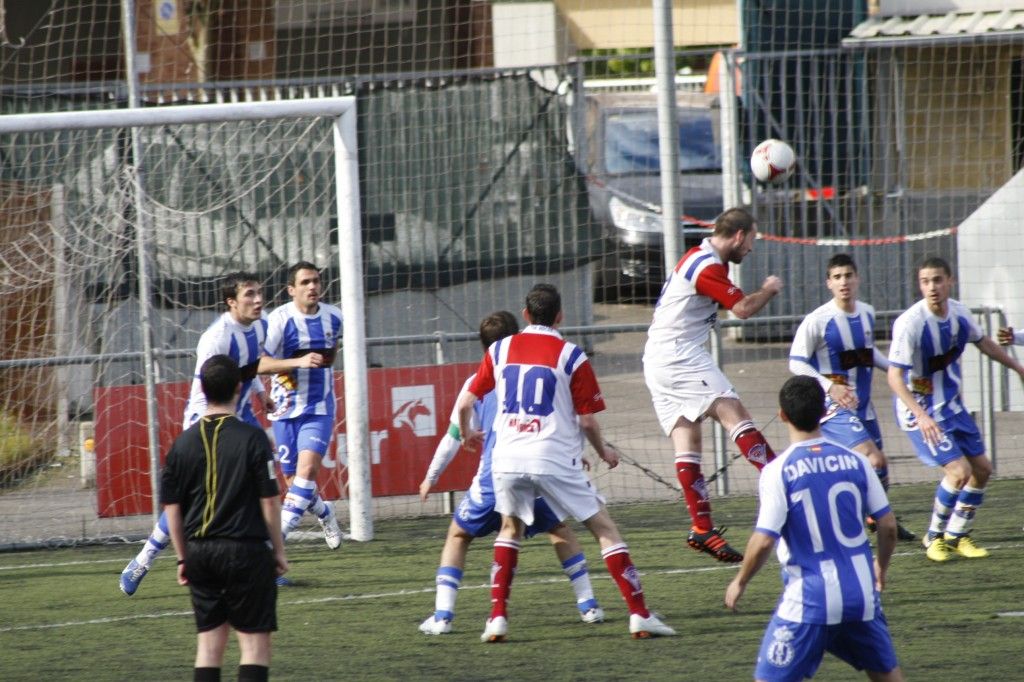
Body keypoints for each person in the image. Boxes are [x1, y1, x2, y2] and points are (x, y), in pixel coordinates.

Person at [459, 284, 676, 642]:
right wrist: (603, 451)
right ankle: (639, 614)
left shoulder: (499, 349)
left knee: (509, 529)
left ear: (525, 315)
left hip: (507, 456)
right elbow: (587, 420)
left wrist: (468, 433)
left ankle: (496, 618)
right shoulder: (572, 356)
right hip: (551, 456)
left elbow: (467, 401)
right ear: (560, 316)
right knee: (604, 528)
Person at [418, 311, 604, 635]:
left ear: (484, 346)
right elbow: (567, 418)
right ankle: (588, 606)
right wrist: (578, 453)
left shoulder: (477, 382)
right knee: (559, 529)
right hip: (539, 472)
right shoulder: (542, 370)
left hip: (495, 476)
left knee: (459, 535)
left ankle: (443, 616)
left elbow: (452, 438)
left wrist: (431, 477)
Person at [724, 376, 903, 682]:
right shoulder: (857, 461)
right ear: (823, 413)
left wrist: (740, 580)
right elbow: (887, 526)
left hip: (810, 599)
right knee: (888, 677)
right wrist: (881, 569)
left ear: (782, 415)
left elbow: (765, 540)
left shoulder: (777, 471)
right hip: (861, 595)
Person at [120, 272, 277, 596]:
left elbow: (251, 365)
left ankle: (269, 557)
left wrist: (260, 392)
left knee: (267, 467)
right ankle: (143, 559)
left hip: (241, 410)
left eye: (259, 293)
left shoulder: (260, 326)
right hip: (206, 416)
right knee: (193, 496)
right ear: (231, 302)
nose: (258, 300)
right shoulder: (216, 338)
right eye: (250, 294)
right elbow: (211, 386)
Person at [642, 207, 783, 563]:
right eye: (750, 240)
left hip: (657, 358)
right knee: (733, 412)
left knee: (687, 440)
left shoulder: (700, 258)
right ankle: (786, 480)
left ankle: (702, 529)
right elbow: (744, 309)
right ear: (738, 236)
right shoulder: (706, 265)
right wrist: (768, 289)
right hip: (678, 355)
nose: (750, 248)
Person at [887, 256, 1024, 561]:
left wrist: (1016, 365)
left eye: (937, 280)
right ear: (919, 285)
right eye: (925, 281)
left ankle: (958, 534)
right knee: (958, 471)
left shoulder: (960, 314)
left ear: (950, 281)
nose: (932, 287)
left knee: (983, 470)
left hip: (952, 406)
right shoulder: (910, 324)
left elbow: (983, 341)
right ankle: (934, 536)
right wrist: (921, 417)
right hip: (919, 410)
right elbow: (894, 377)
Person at [162, 354, 288, 682]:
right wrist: (278, 551)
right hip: (244, 551)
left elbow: (172, 510)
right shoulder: (253, 438)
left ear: (201, 389)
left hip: (200, 554)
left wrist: (182, 558)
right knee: (254, 645)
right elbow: (270, 502)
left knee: (208, 645)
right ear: (238, 387)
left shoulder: (181, 445)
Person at [788, 253, 916, 541]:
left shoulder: (867, 313)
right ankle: (854, 524)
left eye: (848, 275)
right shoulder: (818, 320)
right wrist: (828, 386)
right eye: (837, 277)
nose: (843, 281)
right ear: (828, 283)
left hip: (864, 406)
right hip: (835, 408)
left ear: (857, 278)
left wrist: (896, 372)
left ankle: (880, 519)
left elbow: (869, 354)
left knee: (877, 470)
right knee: (873, 460)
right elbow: (796, 362)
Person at [258, 262, 345, 574]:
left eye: (316, 281)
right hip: (283, 412)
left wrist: (319, 362)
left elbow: (332, 351)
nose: (313, 287)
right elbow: (259, 364)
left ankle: (273, 545)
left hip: (318, 409)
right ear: (291, 289)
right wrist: (297, 362)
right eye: (305, 282)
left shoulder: (334, 317)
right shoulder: (278, 320)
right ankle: (325, 512)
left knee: (306, 474)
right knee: (296, 483)